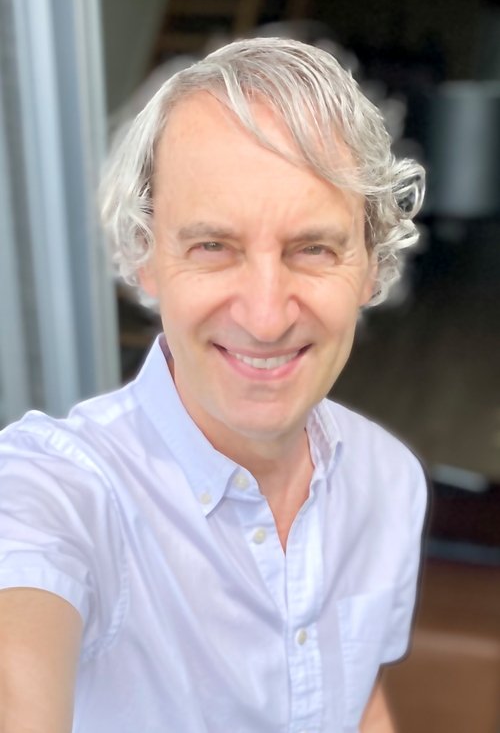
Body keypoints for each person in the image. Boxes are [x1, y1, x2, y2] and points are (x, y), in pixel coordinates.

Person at [0, 38, 427, 733]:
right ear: (145, 256)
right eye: (212, 247)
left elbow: (361, 702)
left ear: (372, 265)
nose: (265, 316)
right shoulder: (58, 487)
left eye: (312, 248)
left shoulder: (390, 480)